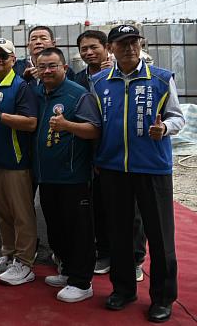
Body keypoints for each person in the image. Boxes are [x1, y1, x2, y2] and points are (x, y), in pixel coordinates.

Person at [92, 24, 185, 323]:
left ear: (140, 45)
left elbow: (177, 117)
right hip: (113, 168)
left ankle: (162, 297)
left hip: (152, 168)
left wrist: (165, 128)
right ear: (111, 49)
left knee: (160, 237)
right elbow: (95, 125)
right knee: (118, 233)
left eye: (134, 42)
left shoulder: (160, 78)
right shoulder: (98, 83)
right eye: (122, 44)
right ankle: (123, 290)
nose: (129, 48)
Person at [76, 30, 147, 277]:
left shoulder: (131, 73)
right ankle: (104, 252)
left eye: (93, 47)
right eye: (84, 49)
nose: (89, 52)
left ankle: (136, 259)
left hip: (131, 155)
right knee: (102, 207)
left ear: (107, 48)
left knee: (134, 210)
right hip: (97, 155)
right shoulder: (78, 79)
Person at [33, 48, 101, 303]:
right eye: (42, 66)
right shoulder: (39, 92)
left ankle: (82, 282)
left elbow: (94, 130)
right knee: (57, 227)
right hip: (47, 176)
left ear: (63, 67)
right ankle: (67, 270)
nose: (47, 71)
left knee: (79, 230)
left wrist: (67, 126)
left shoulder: (78, 95)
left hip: (73, 176)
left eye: (52, 66)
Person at [0, 38, 39, 286]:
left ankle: (25, 263)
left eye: (4, 55)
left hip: (16, 163)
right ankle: (8, 254)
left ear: (14, 60)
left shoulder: (21, 86)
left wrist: (0, 116)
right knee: (2, 213)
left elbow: (31, 122)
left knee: (21, 214)